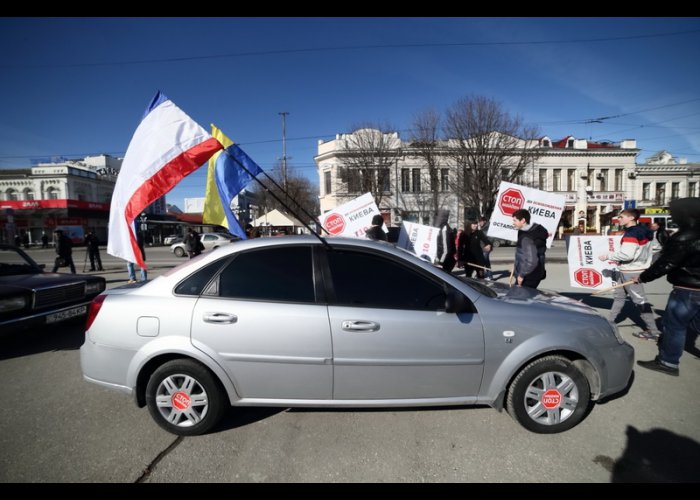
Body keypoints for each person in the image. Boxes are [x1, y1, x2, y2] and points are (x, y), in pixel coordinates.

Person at [634, 198, 700, 377]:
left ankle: (668, 362)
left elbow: (666, 263)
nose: (672, 216)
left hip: (688, 290)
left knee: (674, 326)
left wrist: (642, 277)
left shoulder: (684, 236)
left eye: (674, 213)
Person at [597, 208, 660, 339]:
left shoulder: (631, 234)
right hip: (629, 270)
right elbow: (657, 248)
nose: (618, 219)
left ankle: (653, 331)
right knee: (619, 296)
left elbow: (627, 255)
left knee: (640, 301)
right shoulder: (646, 231)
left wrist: (608, 256)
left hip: (631, 271)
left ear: (631, 218)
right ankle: (610, 323)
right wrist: (646, 261)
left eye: (621, 217)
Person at [512, 209, 548, 289]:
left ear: (523, 220)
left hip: (528, 275)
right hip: (536, 272)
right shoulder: (532, 231)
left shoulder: (527, 237)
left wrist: (521, 275)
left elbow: (531, 261)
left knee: (517, 298)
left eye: (515, 220)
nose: (513, 223)